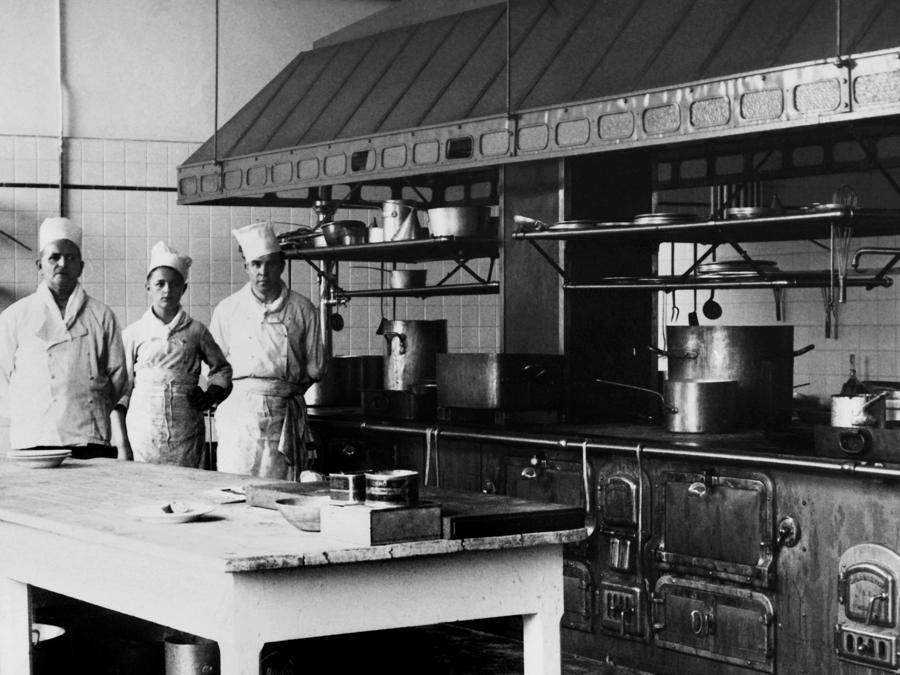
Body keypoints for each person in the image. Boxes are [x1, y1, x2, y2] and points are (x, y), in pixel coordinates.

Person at [0, 216, 129, 459]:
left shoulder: (101, 315)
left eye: (70, 258)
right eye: (54, 257)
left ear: (81, 266)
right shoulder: (16, 316)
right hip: (34, 439)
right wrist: (29, 411)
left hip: (90, 439)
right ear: (40, 265)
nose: (62, 263)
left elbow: (119, 378)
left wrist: (92, 408)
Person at [210, 221, 325, 479]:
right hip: (239, 412)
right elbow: (215, 368)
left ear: (282, 265)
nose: (263, 271)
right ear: (246, 268)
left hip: (285, 411)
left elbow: (315, 368)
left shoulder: (302, 309)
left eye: (270, 263)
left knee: (281, 487)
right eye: (256, 264)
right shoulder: (228, 309)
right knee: (235, 483)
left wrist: (283, 391)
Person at [111, 241, 232, 467]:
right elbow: (119, 393)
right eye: (160, 284)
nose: (167, 290)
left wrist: (211, 393)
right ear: (148, 287)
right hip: (143, 436)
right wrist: (122, 445)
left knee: (186, 496)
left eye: (175, 284)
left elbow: (222, 369)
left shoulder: (197, 331)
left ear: (183, 289)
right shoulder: (134, 333)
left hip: (186, 434)